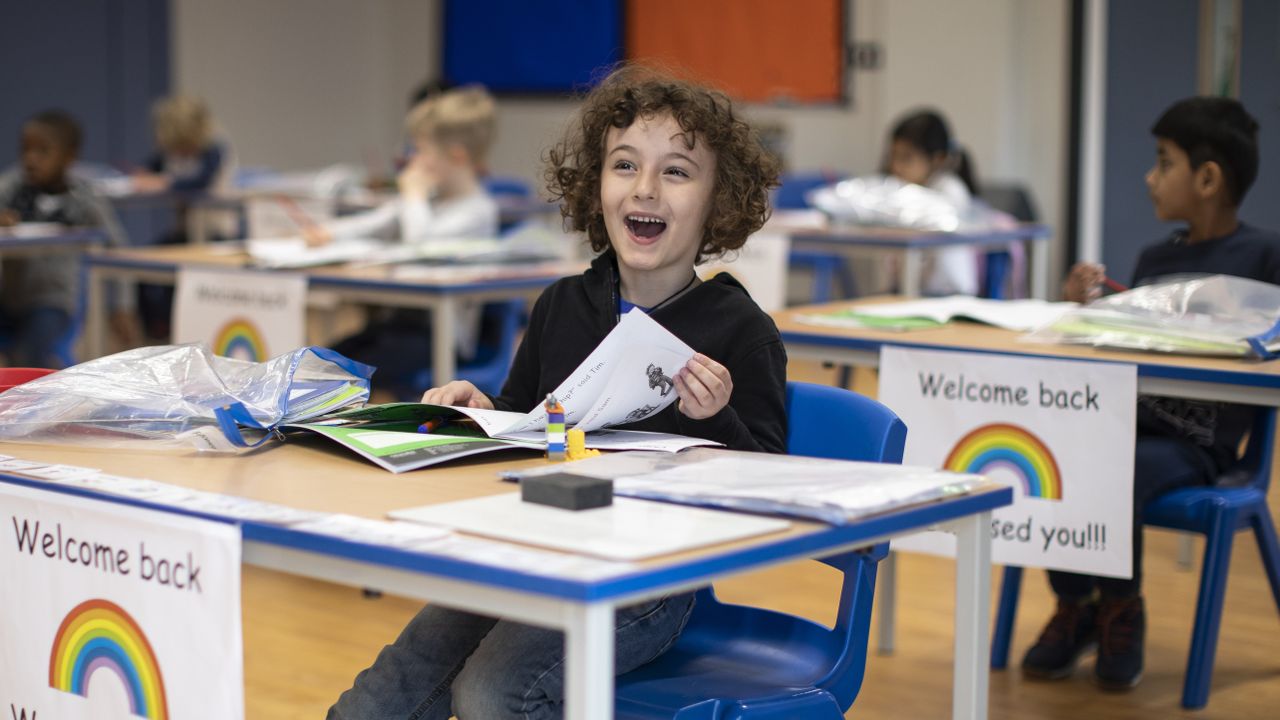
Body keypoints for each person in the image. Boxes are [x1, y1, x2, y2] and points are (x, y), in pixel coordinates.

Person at [328, 66, 788, 719]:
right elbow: (524, 429)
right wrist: (484, 416)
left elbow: (774, 484)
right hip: (534, 547)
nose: (646, 188)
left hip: (648, 582)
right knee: (385, 693)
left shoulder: (741, 331)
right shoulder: (562, 305)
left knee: (492, 693)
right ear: (595, 185)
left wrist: (721, 422)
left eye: (677, 172)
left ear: (719, 200)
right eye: (624, 165)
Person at [1024, 96, 1277, 690]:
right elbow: (1126, 349)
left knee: (1116, 471)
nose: (1150, 177)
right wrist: (1084, 311)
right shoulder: (1154, 259)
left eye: (1164, 162)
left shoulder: (1265, 257)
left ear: (1208, 178)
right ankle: (1076, 605)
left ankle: (1119, 607)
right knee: (1061, 454)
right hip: (1128, 423)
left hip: (1200, 445)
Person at [322, 85, 500, 383]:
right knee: (320, 363)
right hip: (401, 326)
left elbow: (421, 248)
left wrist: (414, 195)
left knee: (341, 376)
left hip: (442, 339)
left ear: (456, 156)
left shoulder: (478, 211)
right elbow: (378, 221)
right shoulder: (430, 201)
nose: (412, 161)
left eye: (421, 151)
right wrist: (328, 233)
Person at [0, 109, 127, 367]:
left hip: (54, 303)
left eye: (42, 151)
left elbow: (117, 249)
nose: (31, 159)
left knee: (29, 356)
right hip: (8, 298)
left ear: (69, 156)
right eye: (25, 150)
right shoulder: (11, 187)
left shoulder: (85, 198)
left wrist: (121, 306)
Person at [131, 96, 233, 341]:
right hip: (183, 232)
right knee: (144, 269)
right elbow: (151, 167)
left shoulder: (215, 148)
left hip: (215, 234)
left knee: (179, 281)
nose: (178, 152)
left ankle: (181, 332)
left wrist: (163, 181)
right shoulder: (170, 151)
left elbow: (200, 181)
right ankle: (155, 332)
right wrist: (144, 176)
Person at [885, 109, 981, 296]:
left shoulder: (951, 190)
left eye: (907, 158)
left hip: (948, 293)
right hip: (913, 291)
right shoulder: (904, 191)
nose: (896, 166)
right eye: (894, 156)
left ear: (938, 158)